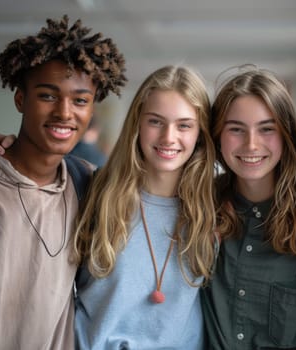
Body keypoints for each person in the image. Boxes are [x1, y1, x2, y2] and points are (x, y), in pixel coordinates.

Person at [0, 15, 126, 349]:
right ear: (20, 99)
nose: (65, 113)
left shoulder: (90, 188)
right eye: (48, 96)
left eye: (80, 100)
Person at [72, 65, 216, 349]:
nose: (168, 137)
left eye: (184, 125)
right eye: (156, 122)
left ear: (200, 133)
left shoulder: (214, 207)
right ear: (137, 123)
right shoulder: (93, 191)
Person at [200, 66, 296, 349]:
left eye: (267, 129)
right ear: (218, 135)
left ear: (285, 135)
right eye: (236, 129)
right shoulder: (199, 206)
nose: (251, 144)